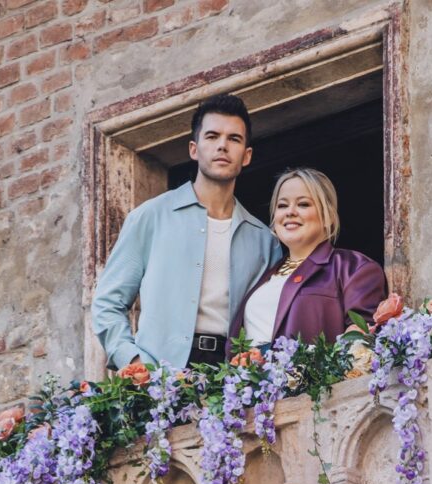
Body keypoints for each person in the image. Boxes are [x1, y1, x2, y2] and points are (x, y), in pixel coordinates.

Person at [92, 94, 282, 369]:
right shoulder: (151, 217)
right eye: (212, 136)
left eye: (234, 139)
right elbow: (108, 302)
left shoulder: (265, 241)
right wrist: (132, 360)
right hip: (160, 376)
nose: (222, 146)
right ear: (194, 149)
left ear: (247, 155)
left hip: (233, 382)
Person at [228, 168, 387, 350]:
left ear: (328, 217)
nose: (290, 212)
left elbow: (362, 339)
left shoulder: (354, 268)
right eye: (282, 205)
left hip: (306, 377)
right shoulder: (263, 275)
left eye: (303, 204)